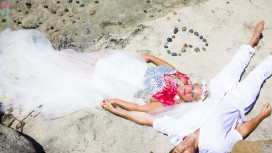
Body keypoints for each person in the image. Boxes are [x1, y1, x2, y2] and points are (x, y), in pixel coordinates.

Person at [102, 21, 272, 153]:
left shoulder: (174, 131)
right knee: (258, 75)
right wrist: (261, 116)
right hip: (239, 102)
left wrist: (115, 110)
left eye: (177, 151)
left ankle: (252, 41)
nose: (182, 149)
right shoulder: (216, 149)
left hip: (214, 90)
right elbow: (240, 132)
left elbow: (144, 118)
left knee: (236, 62)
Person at [0, 28, 206, 119]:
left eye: (192, 95)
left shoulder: (166, 102)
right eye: (194, 87)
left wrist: (116, 101)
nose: (190, 90)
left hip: (124, 79)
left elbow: (139, 108)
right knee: (96, 56)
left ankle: (50, 59)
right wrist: (144, 57)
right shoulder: (180, 77)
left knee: (93, 65)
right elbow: (157, 61)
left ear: (189, 101)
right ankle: (59, 57)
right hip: (131, 65)